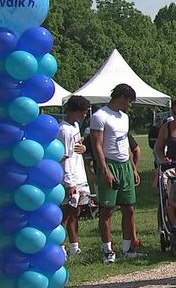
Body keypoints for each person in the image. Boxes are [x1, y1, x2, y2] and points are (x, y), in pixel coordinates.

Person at [89, 84, 143, 263]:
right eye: (129, 101)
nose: (129, 105)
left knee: (129, 208)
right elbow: (97, 145)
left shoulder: (124, 117)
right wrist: (104, 170)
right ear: (121, 97)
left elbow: (125, 143)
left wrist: (133, 168)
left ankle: (127, 249)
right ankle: (107, 251)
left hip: (124, 164)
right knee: (107, 210)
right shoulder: (99, 116)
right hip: (109, 163)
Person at [59, 95, 91, 255]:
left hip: (79, 175)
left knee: (75, 213)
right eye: (84, 111)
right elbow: (64, 157)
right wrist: (69, 182)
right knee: (65, 214)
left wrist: (83, 148)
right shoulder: (63, 130)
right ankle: (60, 246)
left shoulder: (76, 125)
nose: (86, 114)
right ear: (76, 110)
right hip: (70, 177)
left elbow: (78, 146)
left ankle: (74, 247)